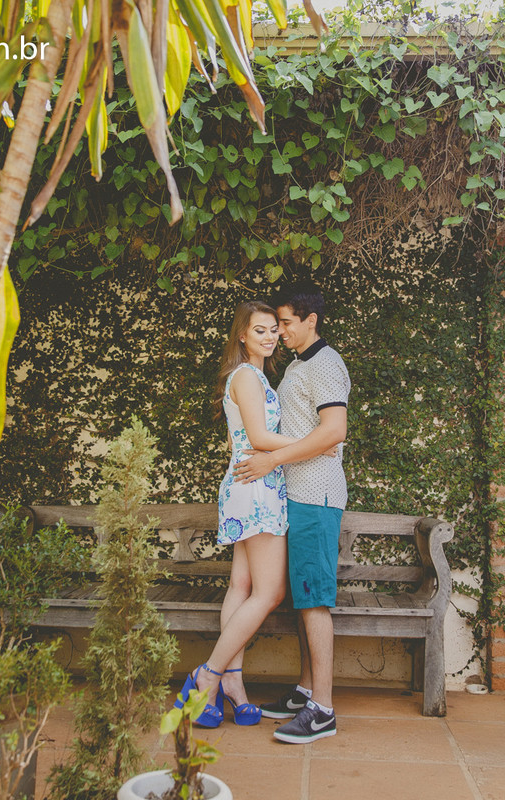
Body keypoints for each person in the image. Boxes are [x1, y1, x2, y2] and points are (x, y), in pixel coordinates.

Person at [174, 299, 303, 727]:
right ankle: (207, 674)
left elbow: (245, 440)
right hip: (257, 488)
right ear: (242, 335)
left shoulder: (254, 377)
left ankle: (232, 680)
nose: (268, 337)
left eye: (272, 330)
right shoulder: (247, 376)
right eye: (259, 330)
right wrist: (318, 442)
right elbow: (260, 437)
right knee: (269, 594)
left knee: (242, 585)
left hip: (250, 485)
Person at [232, 282, 349, 744]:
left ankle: (323, 710)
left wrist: (272, 459)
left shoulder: (325, 363)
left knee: (315, 598)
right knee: (304, 596)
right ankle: (306, 691)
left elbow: (333, 430)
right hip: (295, 494)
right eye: (275, 324)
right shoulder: (302, 364)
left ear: (309, 321)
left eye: (285, 322)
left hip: (315, 496)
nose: (279, 331)